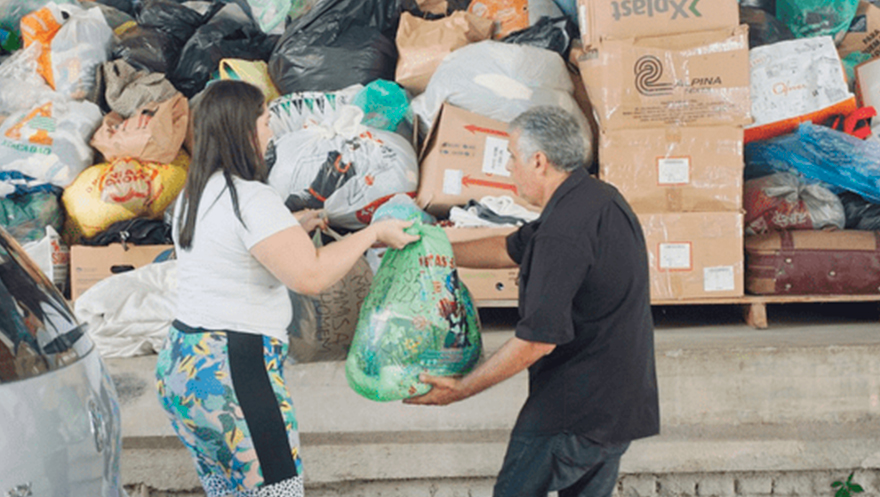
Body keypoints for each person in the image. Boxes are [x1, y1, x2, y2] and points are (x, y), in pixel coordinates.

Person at [155, 80, 418, 497]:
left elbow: (235, 246)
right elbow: (309, 276)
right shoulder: (252, 198)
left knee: (227, 491)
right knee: (277, 490)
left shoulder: (195, 192)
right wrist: (373, 234)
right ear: (242, 130)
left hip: (181, 365)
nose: (271, 132)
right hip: (234, 370)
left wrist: (293, 226)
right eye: (264, 122)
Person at [405, 106, 660, 497]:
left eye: (510, 156)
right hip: (617, 405)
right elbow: (511, 247)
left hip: (575, 411)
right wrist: (429, 250)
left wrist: (462, 388)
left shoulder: (565, 230)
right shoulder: (595, 199)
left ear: (538, 161)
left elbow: (537, 341)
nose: (508, 167)